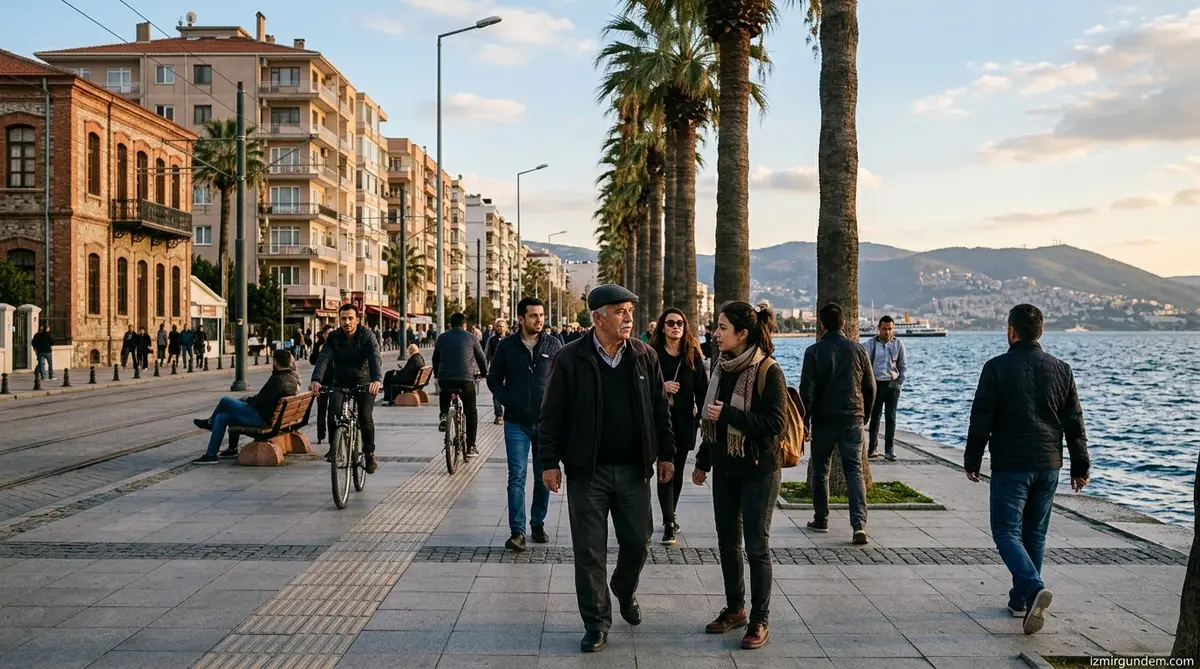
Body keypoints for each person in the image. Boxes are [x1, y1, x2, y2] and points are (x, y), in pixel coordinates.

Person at [539, 285, 675, 654]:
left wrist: (666, 454)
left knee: (639, 541)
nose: (628, 317)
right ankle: (596, 623)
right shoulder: (570, 358)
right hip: (588, 472)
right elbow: (551, 415)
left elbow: (660, 410)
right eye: (619, 311)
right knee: (589, 550)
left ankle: (624, 589)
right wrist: (549, 462)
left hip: (633, 470)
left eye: (630, 310)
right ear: (597, 318)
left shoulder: (645, 356)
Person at [965, 304, 1090, 635]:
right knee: (1035, 533)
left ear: (1011, 331)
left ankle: (1033, 588)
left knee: (1006, 531)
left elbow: (981, 419)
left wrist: (972, 458)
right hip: (1049, 464)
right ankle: (1021, 600)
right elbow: (1075, 422)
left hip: (1011, 463)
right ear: (1041, 332)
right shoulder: (1062, 369)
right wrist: (1080, 466)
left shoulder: (995, 368)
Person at [693, 301, 788, 651]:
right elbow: (710, 424)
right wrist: (704, 460)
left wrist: (731, 414)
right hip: (727, 468)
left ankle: (760, 619)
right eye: (716, 327)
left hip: (759, 470)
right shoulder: (722, 367)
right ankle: (735, 609)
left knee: (757, 546)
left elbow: (776, 425)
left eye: (722, 328)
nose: (716, 334)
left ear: (742, 334)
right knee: (727, 543)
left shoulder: (767, 370)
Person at [488, 298, 563, 552]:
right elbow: (494, 378)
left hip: (546, 424)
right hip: (516, 422)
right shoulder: (507, 346)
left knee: (544, 476)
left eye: (541, 315)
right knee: (516, 476)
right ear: (521, 318)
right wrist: (509, 400)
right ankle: (517, 531)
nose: (539, 320)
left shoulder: (553, 344)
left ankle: (537, 523)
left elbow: (563, 378)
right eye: (533, 316)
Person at [799, 303, 876, 545]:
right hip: (852, 418)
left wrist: (805, 420)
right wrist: (865, 415)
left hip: (824, 420)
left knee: (821, 471)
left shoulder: (813, 352)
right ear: (843, 323)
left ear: (821, 324)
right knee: (854, 471)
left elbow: (806, 391)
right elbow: (871, 387)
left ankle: (821, 518)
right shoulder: (859, 350)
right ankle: (859, 525)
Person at [649, 308, 707, 546]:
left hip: (683, 422)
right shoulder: (651, 355)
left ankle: (669, 516)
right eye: (670, 322)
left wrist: (705, 421)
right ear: (662, 327)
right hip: (657, 422)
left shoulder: (692, 356)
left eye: (680, 323)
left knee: (678, 470)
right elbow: (638, 387)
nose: (675, 327)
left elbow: (703, 391)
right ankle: (669, 522)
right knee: (665, 469)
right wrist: (662, 386)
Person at [309, 304, 384, 473]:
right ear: (339, 320)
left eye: (350, 318)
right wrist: (316, 379)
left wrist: (376, 380)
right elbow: (323, 358)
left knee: (365, 417)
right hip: (340, 382)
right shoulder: (334, 337)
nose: (347, 322)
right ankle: (334, 448)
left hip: (364, 382)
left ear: (357, 320)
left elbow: (374, 357)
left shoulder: (367, 335)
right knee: (333, 412)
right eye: (343, 318)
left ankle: (369, 453)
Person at [191, 349, 300, 464]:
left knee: (225, 401)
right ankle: (211, 454)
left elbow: (261, 401)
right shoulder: (291, 378)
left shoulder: (278, 380)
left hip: (261, 418)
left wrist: (248, 401)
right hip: (273, 418)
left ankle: (210, 423)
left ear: (275, 362)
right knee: (222, 417)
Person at [432, 313, 488, 454]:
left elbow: (435, 358)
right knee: (471, 412)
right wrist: (484, 372)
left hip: (446, 379)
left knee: (445, 392)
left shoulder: (442, 337)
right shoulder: (472, 337)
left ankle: (444, 415)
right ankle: (471, 446)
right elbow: (481, 358)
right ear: (465, 325)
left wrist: (438, 375)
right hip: (466, 379)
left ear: (450, 324)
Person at [866, 315, 908, 461]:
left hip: (892, 385)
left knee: (891, 417)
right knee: (875, 417)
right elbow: (865, 366)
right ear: (879, 328)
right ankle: (872, 448)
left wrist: (898, 382)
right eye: (884, 329)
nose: (887, 332)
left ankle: (889, 449)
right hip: (876, 384)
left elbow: (903, 367)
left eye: (890, 329)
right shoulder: (870, 344)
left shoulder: (898, 345)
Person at [309, 324, 335, 444]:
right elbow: (313, 361)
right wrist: (318, 353)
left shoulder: (336, 345)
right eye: (328, 333)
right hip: (321, 382)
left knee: (332, 412)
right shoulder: (318, 345)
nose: (330, 336)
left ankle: (331, 437)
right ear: (324, 335)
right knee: (321, 409)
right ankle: (321, 435)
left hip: (333, 381)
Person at [485, 318, 509, 425]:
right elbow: (486, 354)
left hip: (509, 369)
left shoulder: (511, 339)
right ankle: (499, 415)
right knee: (496, 393)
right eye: (498, 326)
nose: (500, 328)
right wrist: (485, 368)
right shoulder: (492, 340)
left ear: (506, 328)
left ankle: (510, 413)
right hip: (496, 370)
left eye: (502, 326)